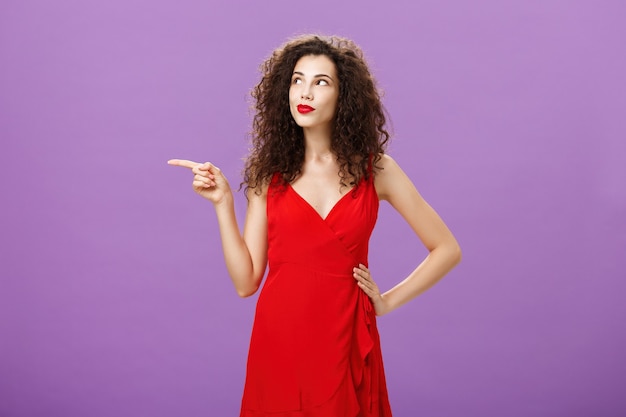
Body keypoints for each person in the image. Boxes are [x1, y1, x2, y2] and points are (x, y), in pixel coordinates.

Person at [168, 34, 461, 417]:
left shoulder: (378, 170)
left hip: (346, 337)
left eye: (321, 82)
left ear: (345, 96)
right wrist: (224, 204)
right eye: (297, 80)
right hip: (280, 339)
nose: (304, 92)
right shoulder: (267, 176)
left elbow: (447, 249)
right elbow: (246, 283)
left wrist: (387, 302)